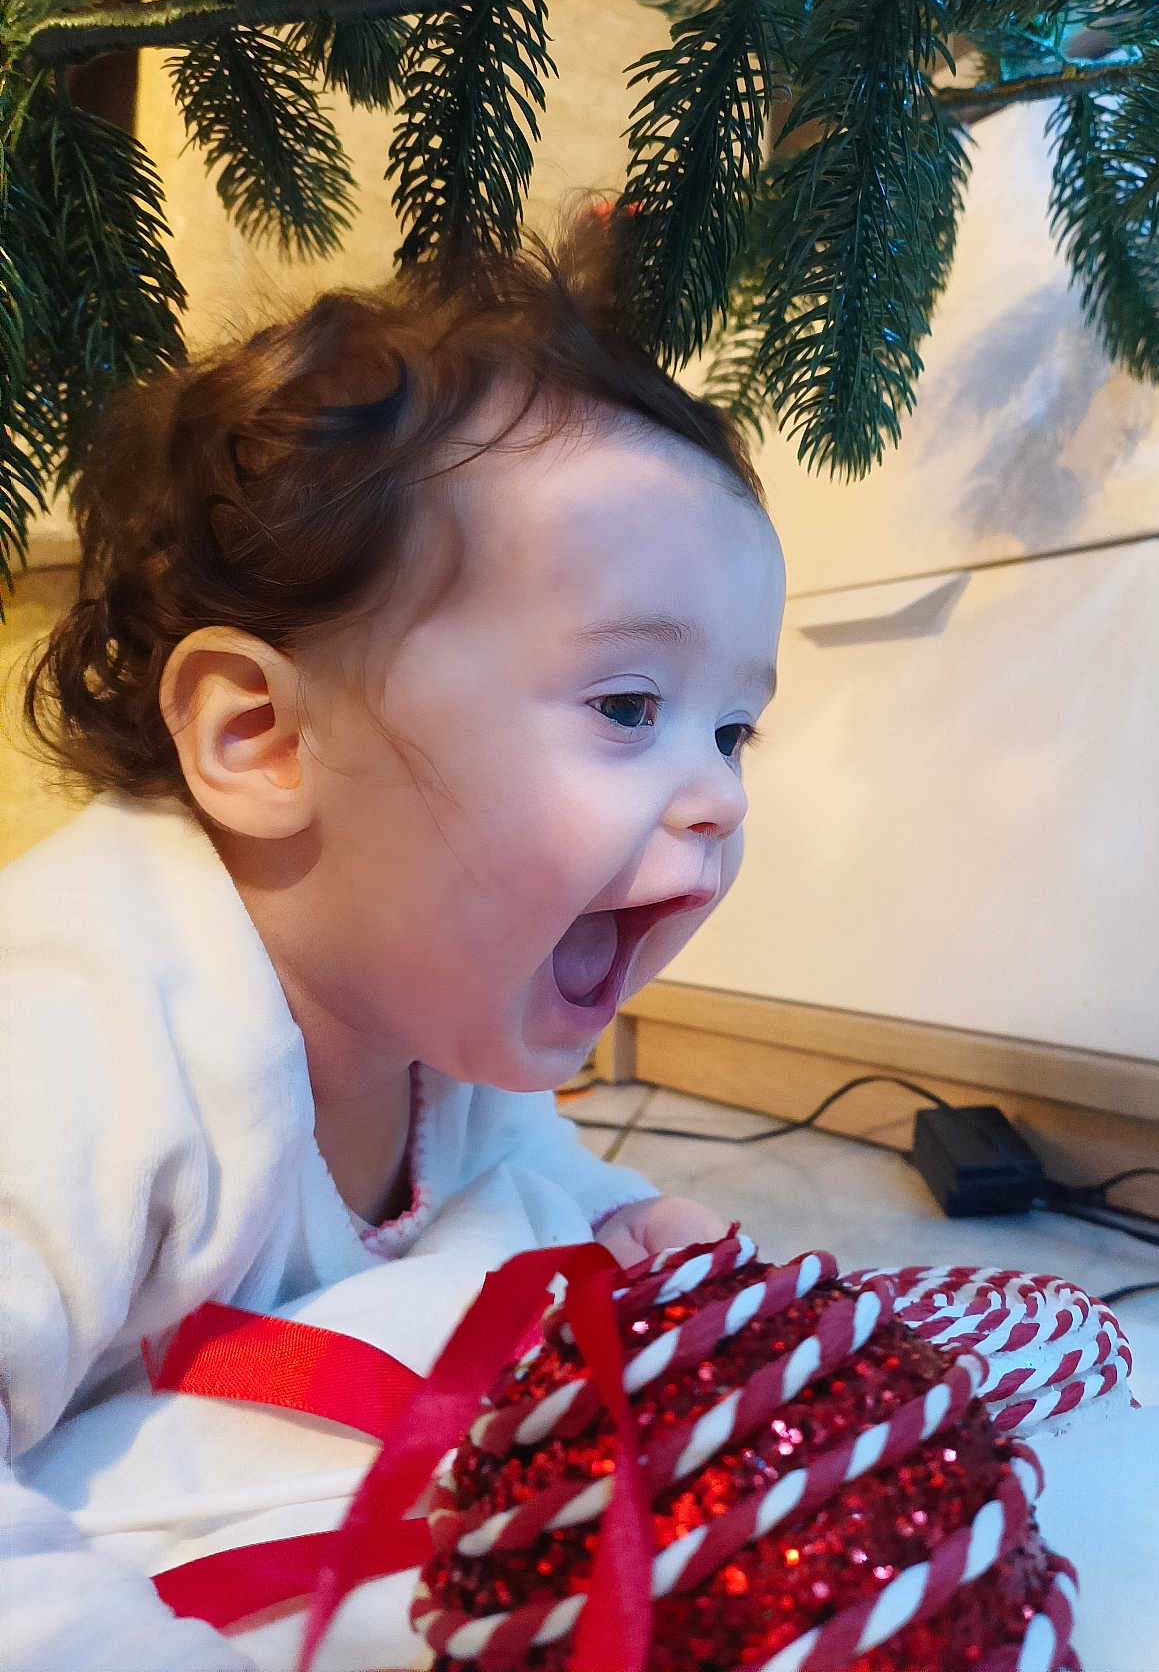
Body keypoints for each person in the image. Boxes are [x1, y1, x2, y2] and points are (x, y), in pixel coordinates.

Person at [0, 213, 787, 1669]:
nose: (720, 796)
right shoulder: (78, 1038)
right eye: (629, 707)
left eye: (734, 729)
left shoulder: (433, 1001)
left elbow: (522, 1165)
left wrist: (625, 1223)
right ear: (263, 737)